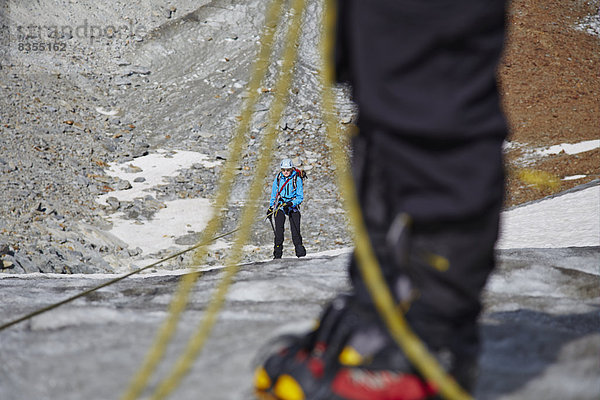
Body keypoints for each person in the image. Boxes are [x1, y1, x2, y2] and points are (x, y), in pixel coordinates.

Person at [255, 0, 508, 399]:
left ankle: (433, 334)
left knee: (426, 72)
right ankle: (379, 311)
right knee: (378, 79)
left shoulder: (293, 180)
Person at [267, 158, 307, 259]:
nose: (285, 172)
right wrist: (271, 207)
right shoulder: (278, 178)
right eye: (283, 170)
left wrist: (291, 203)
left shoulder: (296, 179)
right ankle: (277, 255)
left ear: (291, 169)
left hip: (292, 206)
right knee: (279, 232)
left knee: (295, 231)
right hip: (280, 205)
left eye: (288, 170)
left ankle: (300, 254)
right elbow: (274, 194)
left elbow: (300, 197)